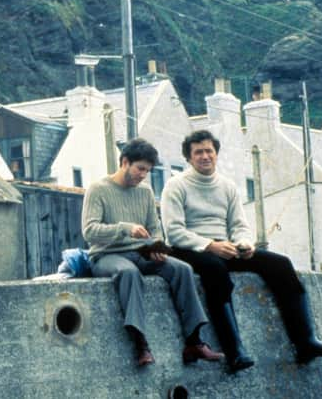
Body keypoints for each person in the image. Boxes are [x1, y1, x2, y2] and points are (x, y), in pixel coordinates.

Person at [161, 129, 322, 373]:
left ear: (216, 154)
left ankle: (305, 342)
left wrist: (244, 243)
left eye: (209, 151)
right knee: (215, 271)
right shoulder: (176, 185)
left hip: (225, 246)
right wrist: (209, 245)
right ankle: (235, 352)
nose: (205, 156)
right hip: (190, 248)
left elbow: (239, 225)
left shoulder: (227, 186)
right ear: (189, 158)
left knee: (280, 264)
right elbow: (174, 231)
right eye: (198, 152)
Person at [82, 137, 223, 367]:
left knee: (181, 269)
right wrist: (125, 228)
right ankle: (140, 344)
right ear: (124, 162)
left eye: (147, 171)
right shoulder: (98, 189)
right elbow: (89, 231)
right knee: (128, 273)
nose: (143, 175)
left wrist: (157, 246)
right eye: (140, 169)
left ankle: (194, 341)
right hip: (106, 255)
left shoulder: (145, 192)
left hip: (141, 253)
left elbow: (155, 228)